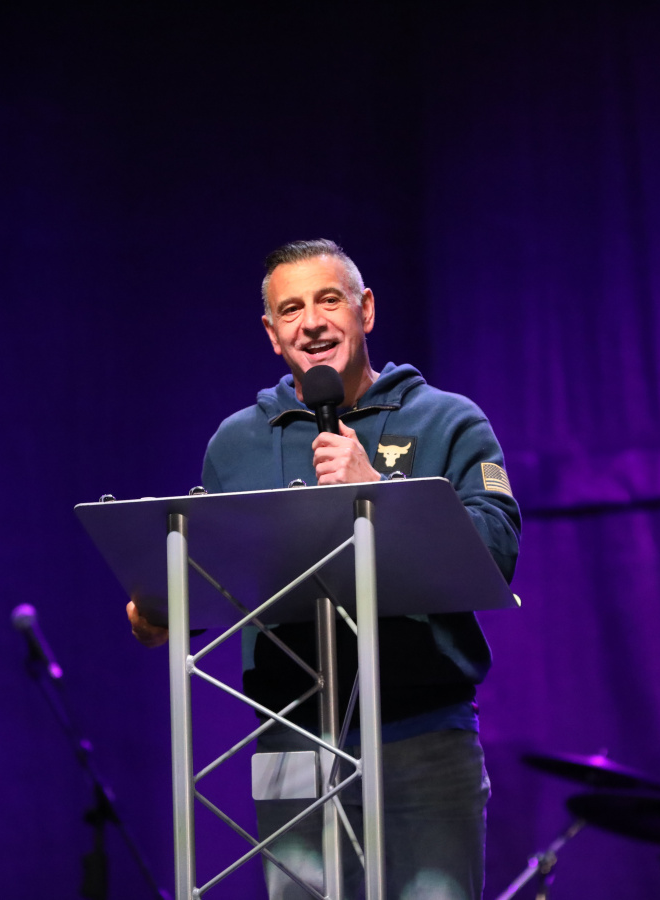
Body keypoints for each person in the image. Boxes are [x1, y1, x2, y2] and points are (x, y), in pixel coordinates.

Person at [127, 239, 520, 900]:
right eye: (291, 309)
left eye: (329, 300)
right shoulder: (238, 442)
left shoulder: (448, 421)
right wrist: (167, 609)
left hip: (423, 736)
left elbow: (497, 551)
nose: (311, 322)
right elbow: (218, 567)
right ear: (271, 332)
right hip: (290, 740)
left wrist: (381, 495)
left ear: (366, 310)